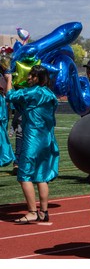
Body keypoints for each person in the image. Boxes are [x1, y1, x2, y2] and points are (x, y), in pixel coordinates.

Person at [5, 65, 59, 223]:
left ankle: (32, 211)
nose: (28, 77)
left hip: (33, 139)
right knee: (41, 176)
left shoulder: (33, 92)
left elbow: (10, 96)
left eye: (31, 75)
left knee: (24, 175)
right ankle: (43, 211)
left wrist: (8, 79)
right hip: (46, 139)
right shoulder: (50, 93)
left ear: (37, 78)